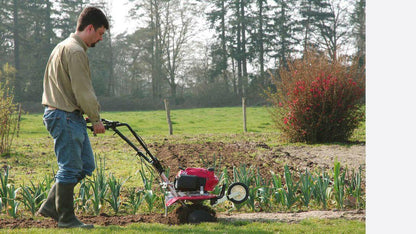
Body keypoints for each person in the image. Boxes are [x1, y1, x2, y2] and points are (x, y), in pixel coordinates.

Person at [38, 6, 108, 229]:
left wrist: (85, 114)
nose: (100, 39)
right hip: (65, 116)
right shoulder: (76, 51)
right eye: (100, 34)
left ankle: (51, 205)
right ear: (89, 28)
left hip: (66, 114)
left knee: (85, 165)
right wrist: (95, 118)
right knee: (69, 167)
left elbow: (68, 87)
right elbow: (83, 90)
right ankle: (66, 219)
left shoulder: (62, 47)